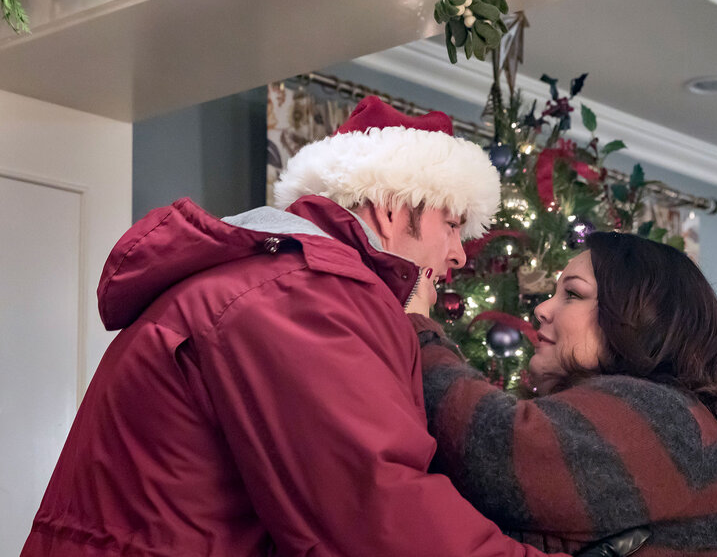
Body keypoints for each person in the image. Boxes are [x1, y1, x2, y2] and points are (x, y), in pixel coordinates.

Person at [23, 96, 571, 557]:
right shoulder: (302, 294)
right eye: (451, 225)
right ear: (389, 207)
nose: (457, 254)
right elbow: (377, 517)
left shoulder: (274, 280)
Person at [407, 231, 717, 556]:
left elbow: (494, 447)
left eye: (573, 294)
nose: (541, 309)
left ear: (638, 317)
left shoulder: (670, 418)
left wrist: (417, 330)